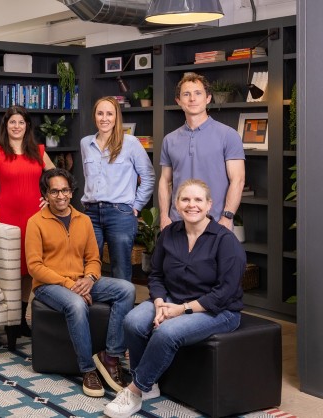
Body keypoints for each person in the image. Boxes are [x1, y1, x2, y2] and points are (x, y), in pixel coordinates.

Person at [104, 179, 246, 418]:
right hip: (172, 298)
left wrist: (182, 309)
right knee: (133, 321)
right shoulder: (169, 233)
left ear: (209, 205)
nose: (192, 205)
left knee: (166, 332)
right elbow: (156, 275)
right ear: (177, 204)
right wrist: (159, 302)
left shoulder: (225, 240)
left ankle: (135, 390)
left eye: (198, 200)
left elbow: (226, 292)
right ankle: (149, 384)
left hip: (219, 310)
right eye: (185, 199)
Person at [26, 168, 135, 397]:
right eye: (54, 191)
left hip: (81, 280)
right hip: (49, 285)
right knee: (76, 304)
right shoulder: (35, 222)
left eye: (65, 190)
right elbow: (34, 267)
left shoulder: (83, 220)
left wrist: (90, 278)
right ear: (45, 194)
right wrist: (69, 285)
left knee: (126, 289)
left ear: (71, 191)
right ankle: (87, 369)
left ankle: (110, 357)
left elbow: (93, 259)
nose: (61, 196)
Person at [0, 105, 54, 337]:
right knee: (11, 267)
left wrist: (48, 198)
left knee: (29, 268)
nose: (16, 126)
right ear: (5, 125)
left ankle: (21, 318)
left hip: (35, 217)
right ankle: (10, 319)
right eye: (12, 122)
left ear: (27, 126)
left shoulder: (38, 151)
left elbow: (55, 176)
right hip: (8, 217)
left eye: (21, 122)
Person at [158, 72, 245, 231]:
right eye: (186, 94)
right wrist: (164, 216)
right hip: (177, 223)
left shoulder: (228, 135)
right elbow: (165, 181)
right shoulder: (169, 140)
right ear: (178, 101)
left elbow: (238, 180)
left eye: (198, 93)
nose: (192, 99)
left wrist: (227, 217)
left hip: (216, 222)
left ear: (208, 98)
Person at [81, 97, 155, 281]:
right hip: (91, 214)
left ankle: (122, 301)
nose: (104, 118)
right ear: (94, 116)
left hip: (120, 213)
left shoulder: (130, 143)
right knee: (89, 268)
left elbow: (148, 176)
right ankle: (93, 301)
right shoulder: (85, 143)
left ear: (116, 117)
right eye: (100, 113)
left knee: (120, 269)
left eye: (109, 114)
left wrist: (136, 205)